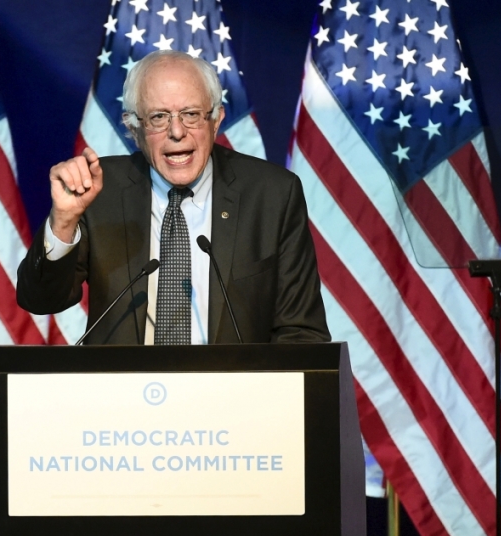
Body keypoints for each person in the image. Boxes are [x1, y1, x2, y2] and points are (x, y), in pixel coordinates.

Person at [17, 50, 329, 345]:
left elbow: (301, 332)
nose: (177, 132)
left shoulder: (271, 194)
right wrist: (64, 221)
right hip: (123, 384)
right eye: (158, 117)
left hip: (232, 383)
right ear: (134, 128)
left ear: (216, 120)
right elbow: (41, 300)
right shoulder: (99, 190)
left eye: (191, 115)